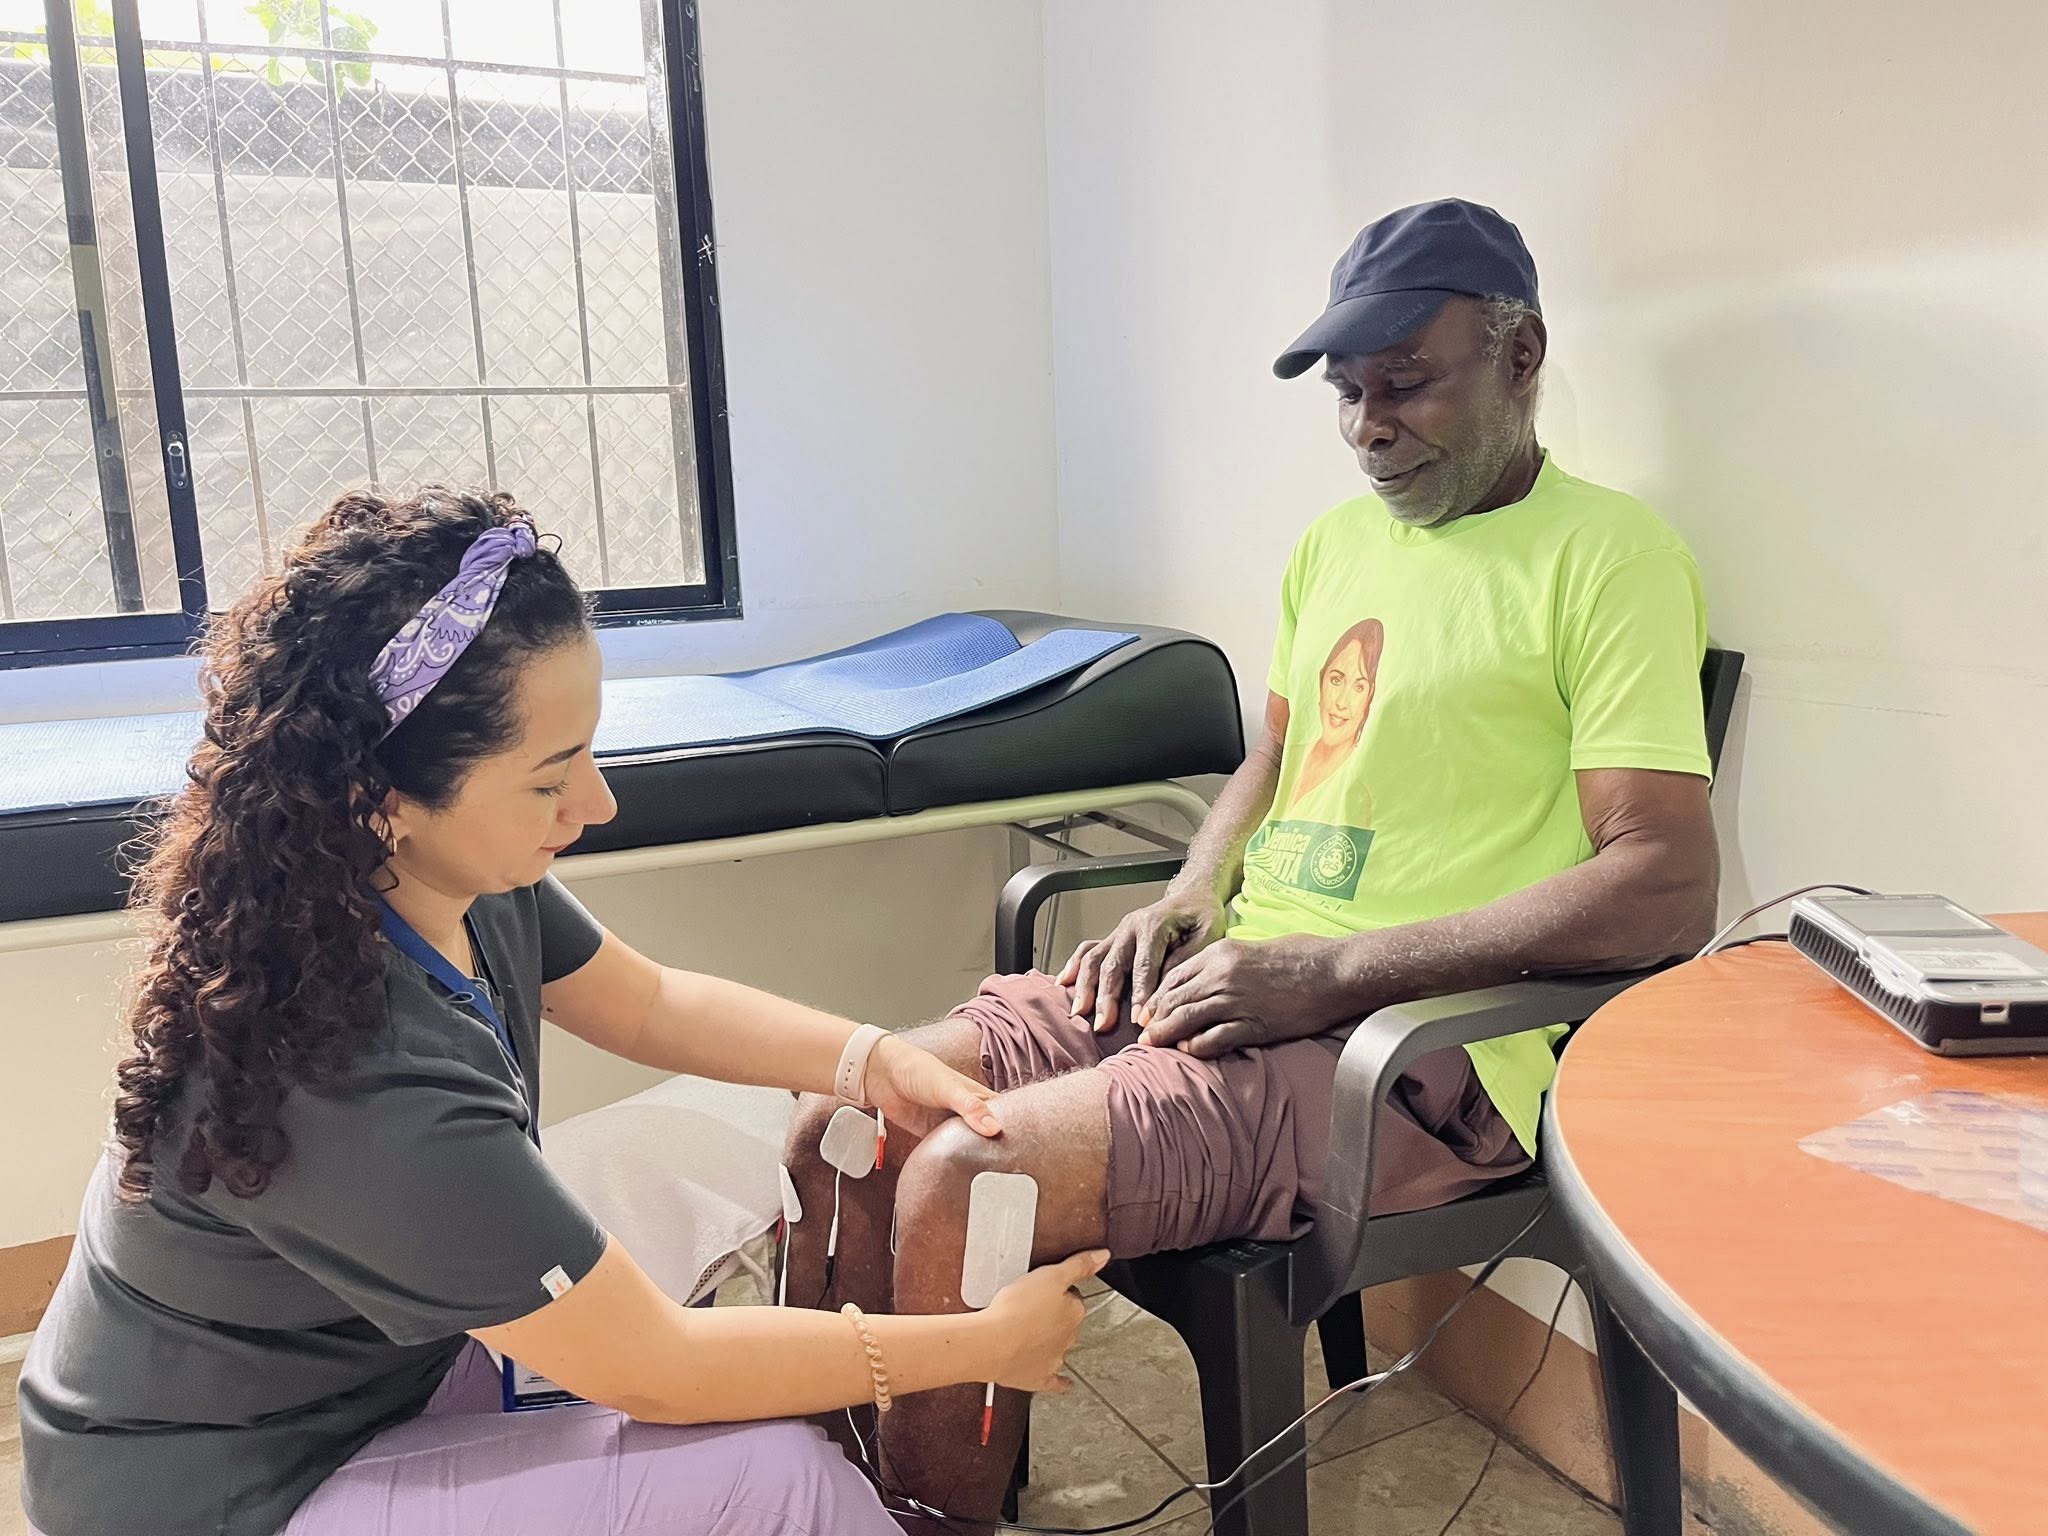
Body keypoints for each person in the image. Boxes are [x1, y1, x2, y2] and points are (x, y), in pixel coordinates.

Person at [781, 197, 1723, 1522]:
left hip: (1412, 1051)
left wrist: (1330, 974)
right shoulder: (1334, 547)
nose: (1367, 425)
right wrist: (1189, 893)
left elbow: (1664, 882)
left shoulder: (1609, 558)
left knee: (964, 1179)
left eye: (1405, 383)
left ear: (1520, 358)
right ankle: (817, 1500)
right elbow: (1273, 761)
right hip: (1240, 983)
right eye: (1347, 393)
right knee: (843, 1125)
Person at [16, 487, 1107, 1536]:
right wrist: (979, 1346)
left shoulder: (433, 882)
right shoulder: (351, 1065)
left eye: (589, 752)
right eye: (550, 780)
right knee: (778, 1481)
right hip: (218, 1494)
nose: (597, 804)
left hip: (356, 1378)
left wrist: (870, 1059)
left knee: (703, 1185)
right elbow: (662, 1371)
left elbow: (648, 1002)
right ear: (382, 800)